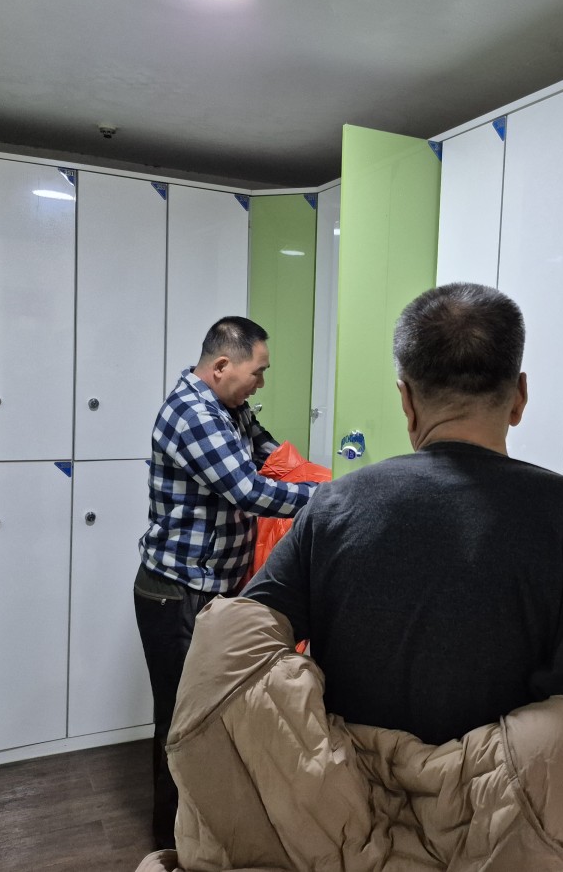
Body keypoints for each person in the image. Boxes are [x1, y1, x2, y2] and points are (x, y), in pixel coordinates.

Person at [242, 281, 563, 745]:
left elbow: (241, 644)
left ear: (406, 401)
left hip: (349, 788)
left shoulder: (334, 506)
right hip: (508, 792)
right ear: (519, 397)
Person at [135, 315, 318, 850]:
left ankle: (212, 833)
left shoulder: (230, 409)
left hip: (214, 589)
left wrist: (309, 477)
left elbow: (270, 459)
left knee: (216, 715)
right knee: (180, 721)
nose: (260, 383)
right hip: (177, 594)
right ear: (221, 366)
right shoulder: (192, 414)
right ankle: (171, 843)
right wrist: (331, 498)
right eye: (257, 372)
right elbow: (248, 492)